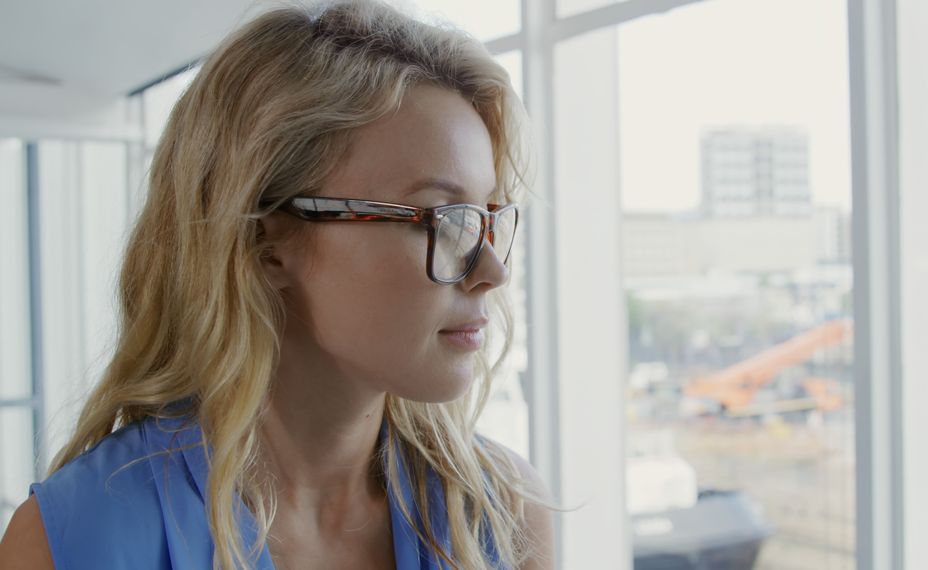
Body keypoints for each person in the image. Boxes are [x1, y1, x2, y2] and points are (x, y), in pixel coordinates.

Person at [0, 1, 555, 568]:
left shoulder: (501, 515)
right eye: (441, 218)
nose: (494, 270)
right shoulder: (75, 539)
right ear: (266, 245)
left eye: (487, 218)